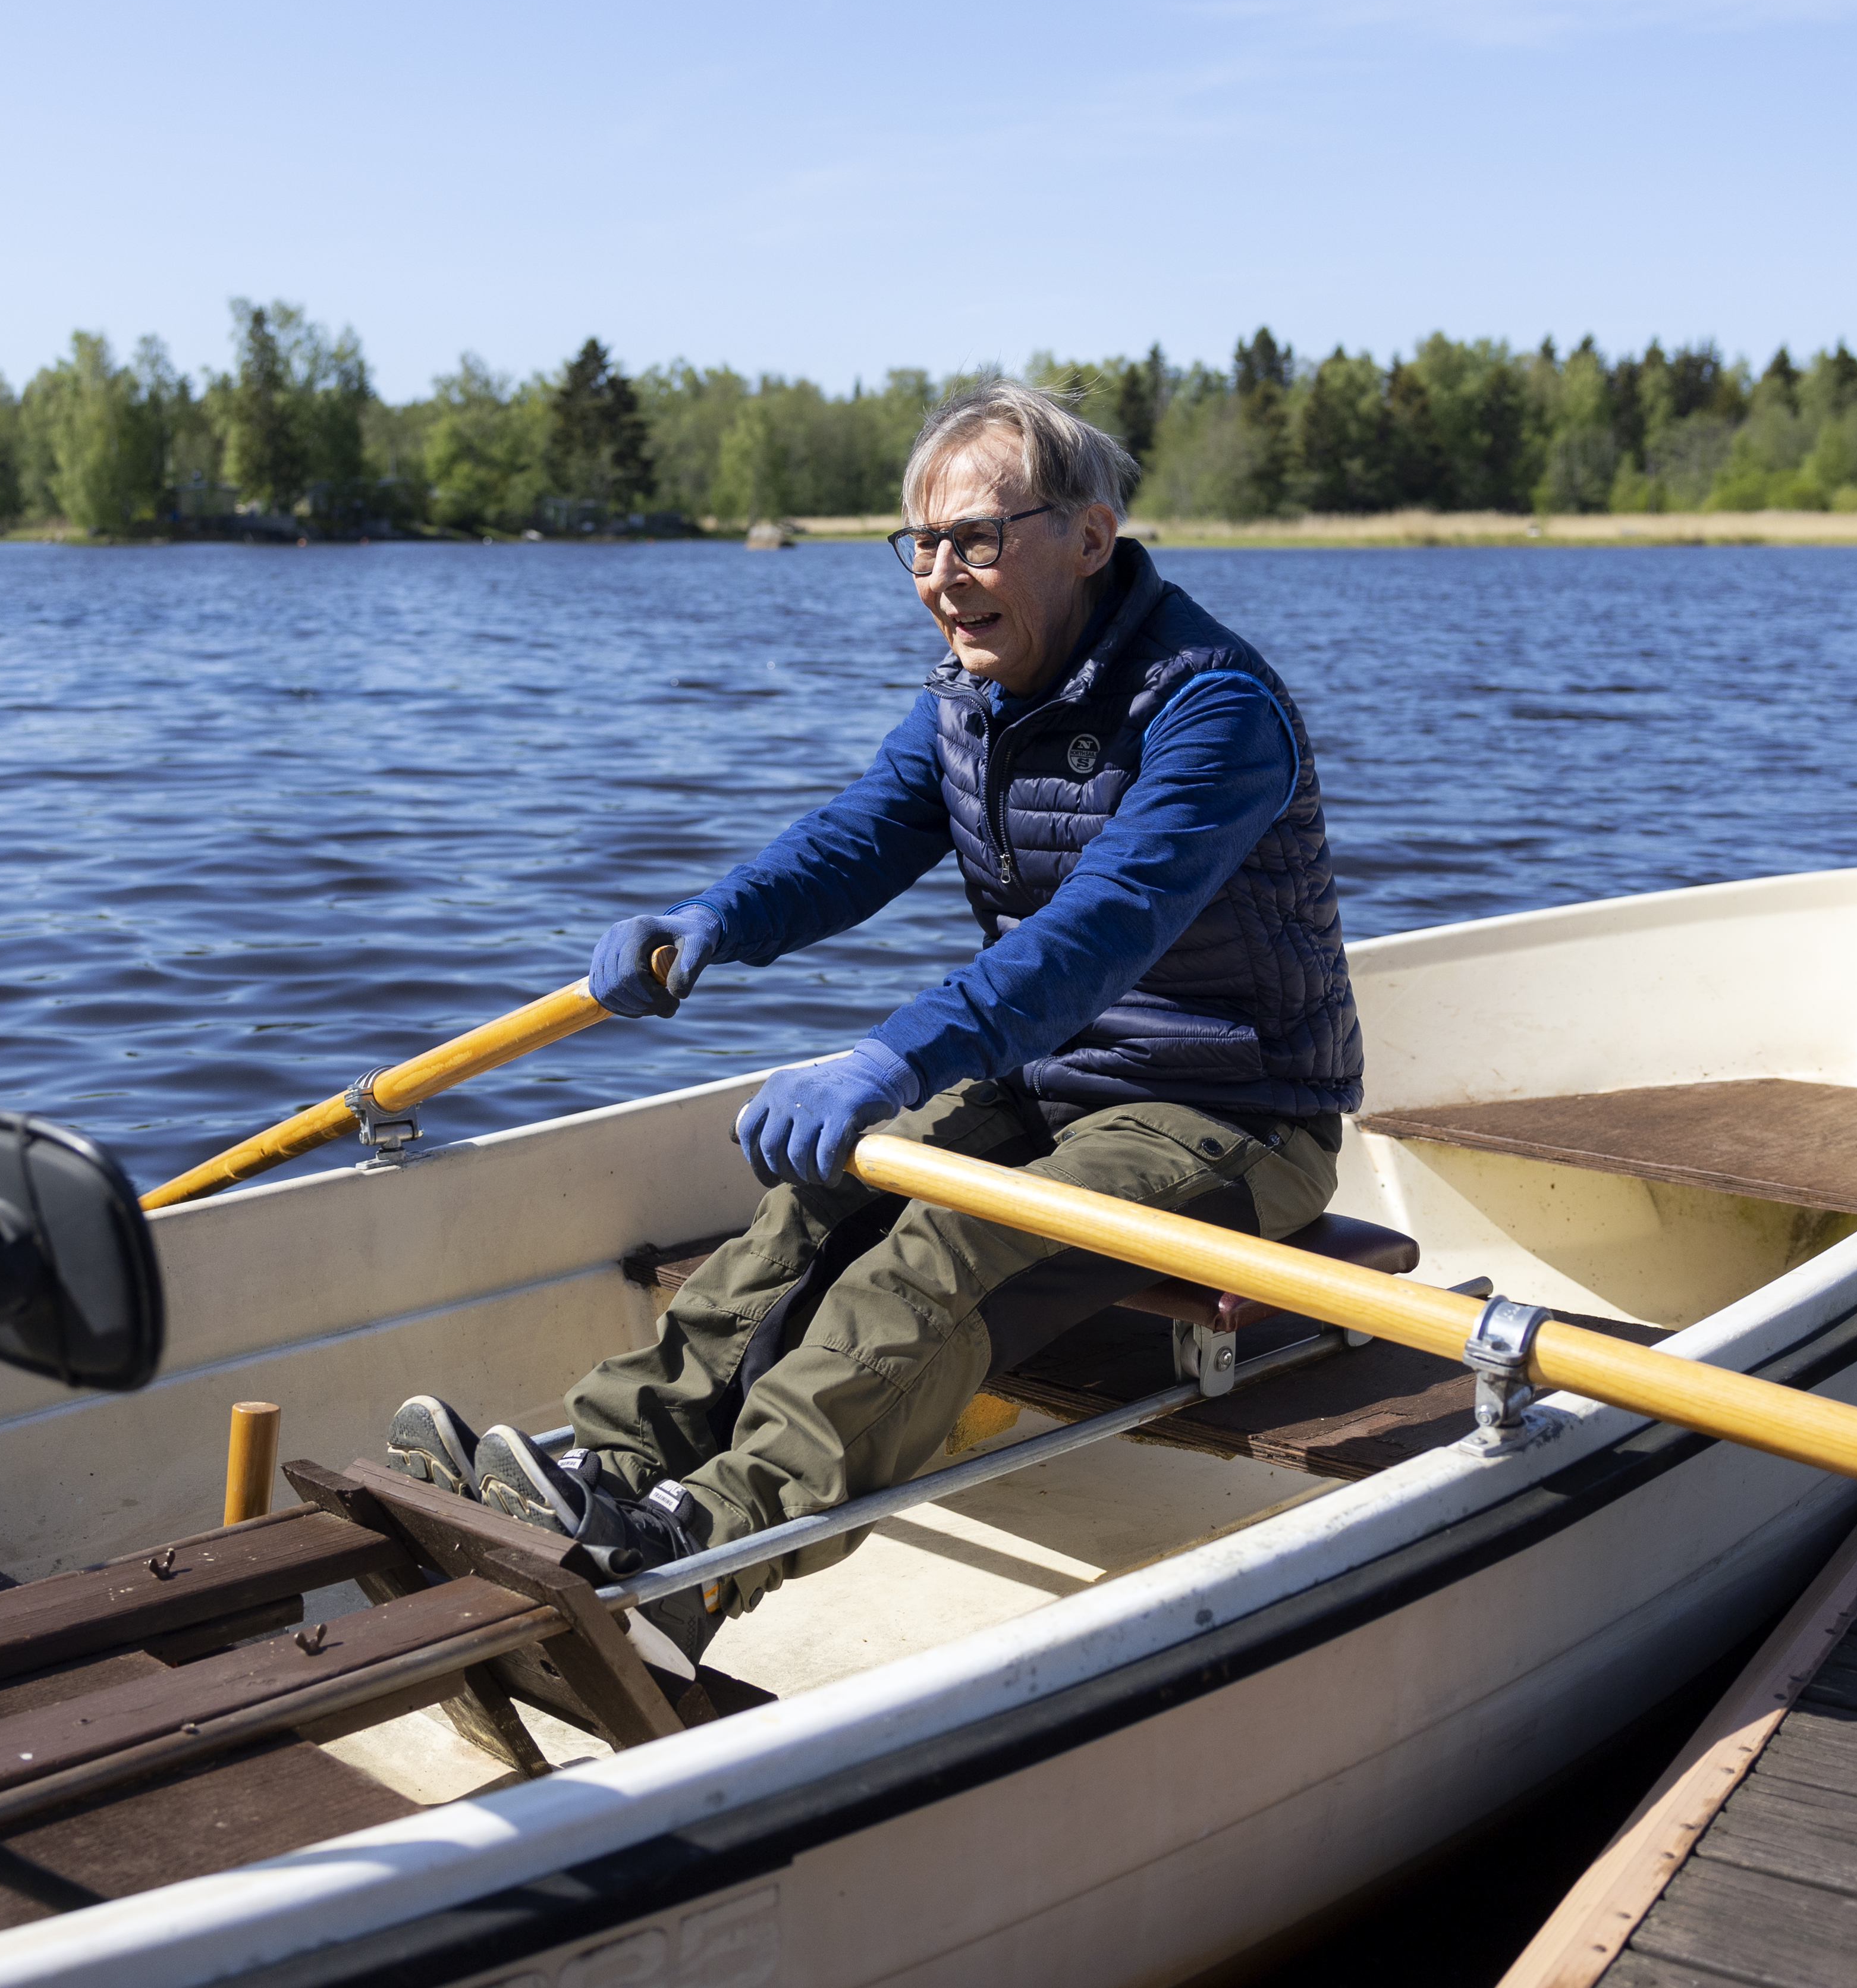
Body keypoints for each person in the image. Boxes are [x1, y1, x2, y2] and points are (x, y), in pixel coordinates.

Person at [387, 376, 1360, 1674]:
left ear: (1089, 533)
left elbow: (1099, 932)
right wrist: (711, 920)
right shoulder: (971, 695)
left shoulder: (1211, 709)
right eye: (920, 544)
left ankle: (697, 1551)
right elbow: (854, 840)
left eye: (976, 537)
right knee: (809, 1201)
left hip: (1234, 1114)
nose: (941, 576)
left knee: (938, 1252)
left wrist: (889, 1057)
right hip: (1053, 1078)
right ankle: (606, 1456)